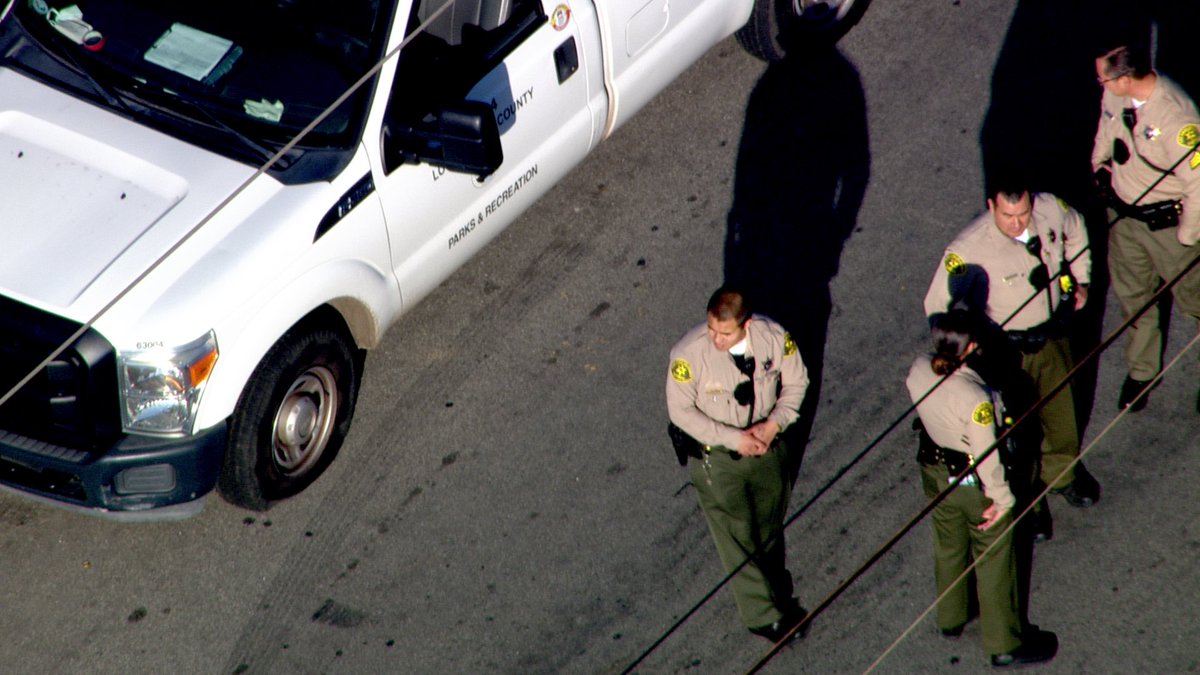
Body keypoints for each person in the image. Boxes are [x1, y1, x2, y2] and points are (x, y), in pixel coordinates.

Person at [923, 183, 1099, 522]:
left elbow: (1075, 229)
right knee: (1016, 430)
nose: (1017, 224)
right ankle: (1029, 498)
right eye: (1007, 216)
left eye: (1022, 214)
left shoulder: (1049, 209)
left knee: (1063, 410)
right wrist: (957, 355)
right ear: (992, 206)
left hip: (1050, 336)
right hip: (1004, 351)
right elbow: (936, 306)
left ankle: (1063, 474)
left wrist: (1082, 279)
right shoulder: (968, 248)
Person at [907, 311, 1058, 669]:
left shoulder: (918, 368)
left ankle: (952, 616)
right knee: (993, 556)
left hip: (934, 468)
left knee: (948, 542)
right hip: (975, 482)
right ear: (971, 346)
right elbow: (987, 454)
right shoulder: (975, 396)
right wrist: (1002, 498)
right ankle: (1004, 642)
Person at [666, 287, 808, 642]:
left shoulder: (773, 339)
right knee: (737, 535)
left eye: (724, 333)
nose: (715, 338)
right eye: (712, 328)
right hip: (719, 458)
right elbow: (681, 412)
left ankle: (775, 588)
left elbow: (797, 382)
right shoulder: (688, 355)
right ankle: (763, 615)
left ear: (746, 324)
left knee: (769, 523)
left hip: (766, 448)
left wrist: (774, 423)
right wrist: (735, 439)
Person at [1093, 41, 1200, 413]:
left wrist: (1187, 236)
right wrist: (1098, 165)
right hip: (1125, 221)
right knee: (1134, 300)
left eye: (1103, 77)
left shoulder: (1177, 119)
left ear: (1124, 78)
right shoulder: (1116, 98)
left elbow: (1198, 183)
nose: (1099, 82)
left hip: (1169, 226)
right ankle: (1142, 372)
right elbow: (1107, 129)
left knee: (1197, 301)